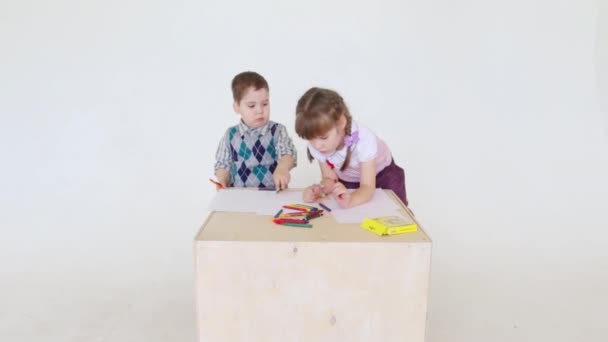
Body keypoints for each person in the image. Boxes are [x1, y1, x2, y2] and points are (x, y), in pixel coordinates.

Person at [295, 87, 407, 208]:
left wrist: (351, 200)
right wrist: (319, 189)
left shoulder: (364, 140)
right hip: (349, 178)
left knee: (396, 213)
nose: (317, 145)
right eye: (311, 139)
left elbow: (367, 187)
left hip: (383, 176)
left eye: (323, 137)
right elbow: (329, 178)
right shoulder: (317, 144)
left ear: (341, 123)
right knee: (356, 217)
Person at [214, 71, 297, 189]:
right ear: (237, 107)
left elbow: (288, 153)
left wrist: (283, 168)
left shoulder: (277, 131)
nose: (259, 110)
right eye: (251, 106)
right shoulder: (230, 135)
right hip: (240, 196)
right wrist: (222, 179)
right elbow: (223, 164)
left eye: (265, 104)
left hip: (272, 194)